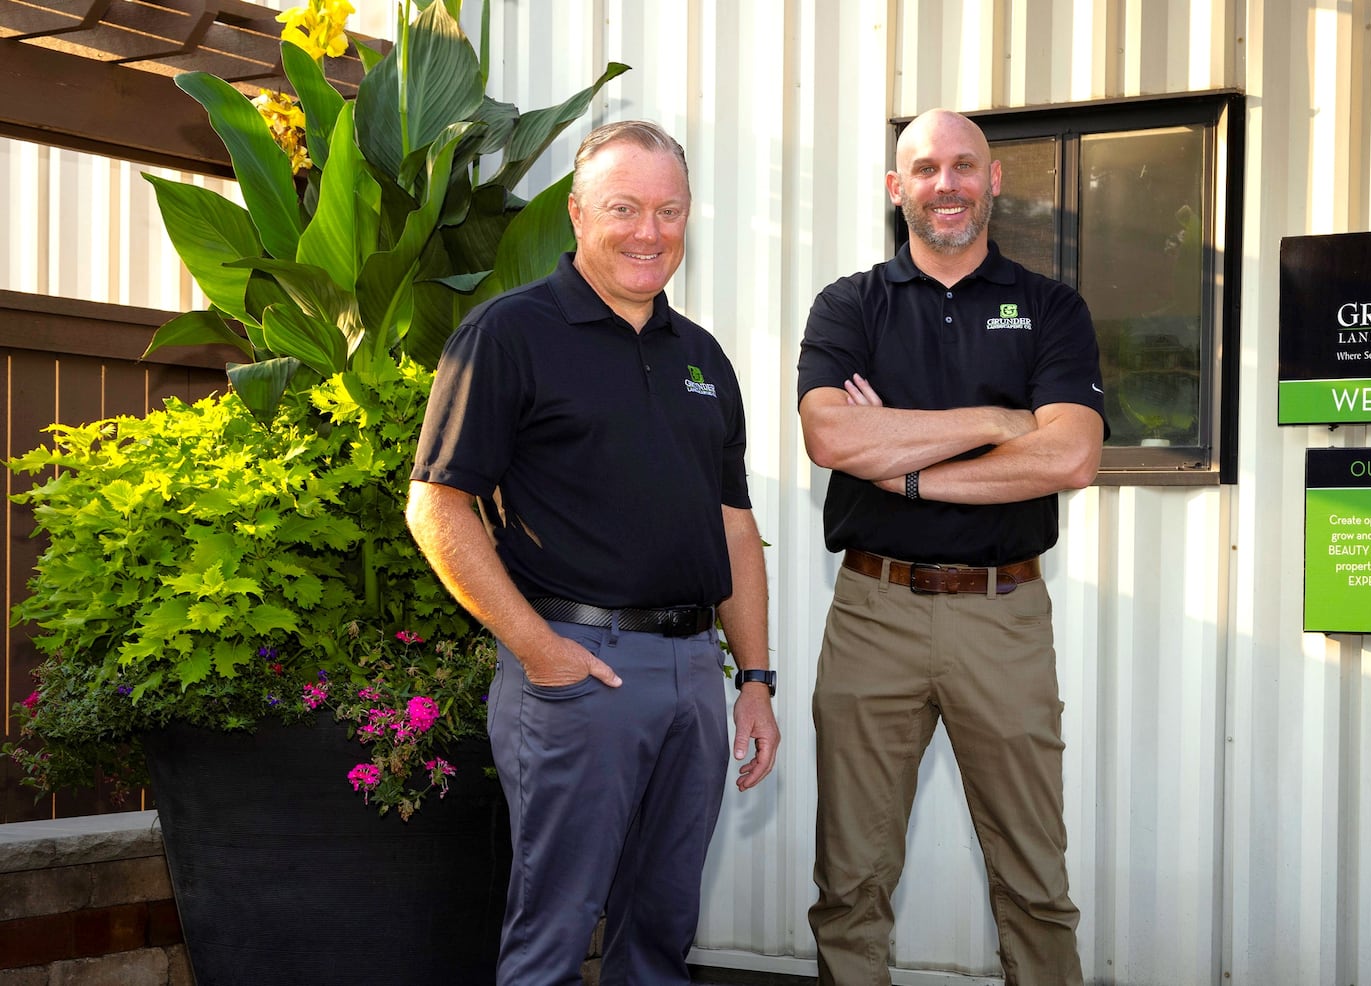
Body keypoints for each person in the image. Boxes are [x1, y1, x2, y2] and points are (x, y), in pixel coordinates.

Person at [406, 120, 779, 986]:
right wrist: (539, 650)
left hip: (694, 672)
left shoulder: (703, 359)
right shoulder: (509, 334)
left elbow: (733, 525)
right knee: (555, 930)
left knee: (662, 926)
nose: (648, 232)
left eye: (669, 211)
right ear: (577, 214)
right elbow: (437, 506)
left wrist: (753, 680)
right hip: (580, 671)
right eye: (624, 208)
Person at [796, 108, 1106, 986]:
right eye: (925, 168)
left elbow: (1072, 455)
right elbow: (831, 439)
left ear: (993, 181)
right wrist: (996, 422)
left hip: (1002, 615)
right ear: (897, 189)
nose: (946, 184)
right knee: (850, 880)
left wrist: (905, 467)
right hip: (871, 612)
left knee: (1035, 879)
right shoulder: (849, 305)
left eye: (964, 165)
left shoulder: (1051, 307)